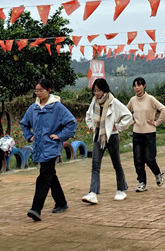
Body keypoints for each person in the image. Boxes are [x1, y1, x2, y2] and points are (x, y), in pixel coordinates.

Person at [20, 78, 77, 221]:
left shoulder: (57, 107)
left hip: (51, 147)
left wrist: (59, 136)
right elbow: (24, 123)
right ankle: (61, 202)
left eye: (41, 90)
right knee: (50, 174)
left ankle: (36, 209)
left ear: (49, 90)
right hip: (39, 147)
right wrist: (29, 136)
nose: (38, 93)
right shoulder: (33, 108)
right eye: (36, 90)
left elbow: (71, 123)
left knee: (44, 177)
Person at [82, 78, 133, 205]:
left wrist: (119, 126)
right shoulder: (94, 102)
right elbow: (88, 116)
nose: (96, 93)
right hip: (98, 136)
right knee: (95, 164)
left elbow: (128, 115)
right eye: (94, 91)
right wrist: (91, 126)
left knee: (116, 164)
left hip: (112, 137)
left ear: (104, 90)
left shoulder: (113, 101)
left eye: (98, 90)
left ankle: (121, 189)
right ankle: (92, 193)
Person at [126, 77, 165, 192]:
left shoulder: (150, 99)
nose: (137, 88)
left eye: (139, 85)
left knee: (149, 158)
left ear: (144, 86)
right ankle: (142, 182)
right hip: (137, 133)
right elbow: (125, 112)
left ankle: (158, 173)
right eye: (134, 86)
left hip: (149, 133)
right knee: (138, 159)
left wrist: (156, 122)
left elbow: (164, 110)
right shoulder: (133, 100)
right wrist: (131, 121)